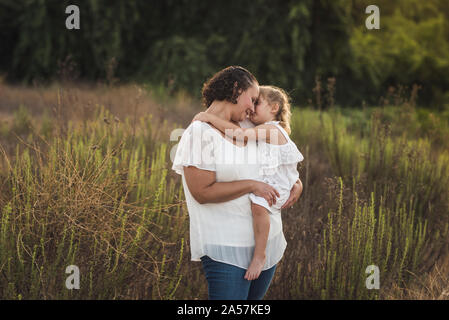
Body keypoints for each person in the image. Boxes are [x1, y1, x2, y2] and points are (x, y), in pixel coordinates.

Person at [172, 66, 303, 300]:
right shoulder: (199, 133)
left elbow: (278, 159)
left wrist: (297, 183)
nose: (253, 108)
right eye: (252, 99)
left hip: (268, 244)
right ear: (236, 89)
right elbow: (202, 192)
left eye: (257, 102)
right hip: (227, 251)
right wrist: (252, 185)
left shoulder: (248, 125)